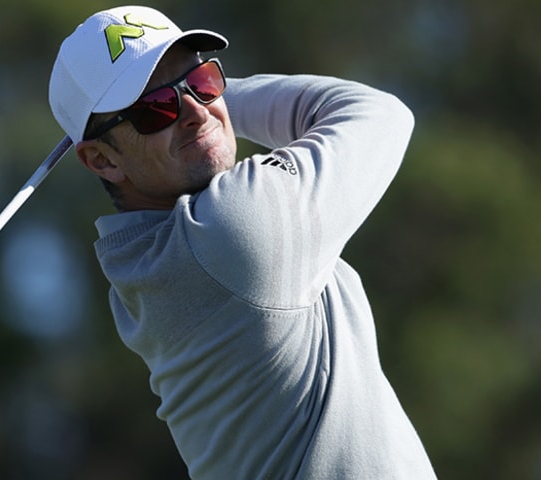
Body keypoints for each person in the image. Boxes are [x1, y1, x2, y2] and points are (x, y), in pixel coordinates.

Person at [49, 5, 437, 479]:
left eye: (205, 81)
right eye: (155, 110)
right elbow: (379, 114)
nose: (194, 112)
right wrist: (223, 100)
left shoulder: (137, 272)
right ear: (103, 161)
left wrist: (200, 102)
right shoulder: (233, 228)